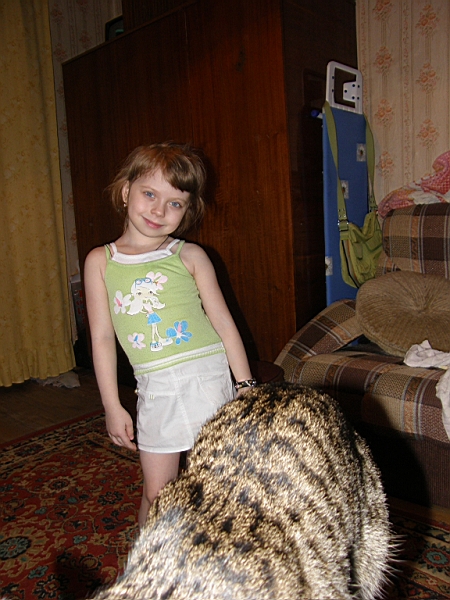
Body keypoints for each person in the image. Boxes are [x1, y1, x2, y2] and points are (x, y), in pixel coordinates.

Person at [84, 142, 255, 528]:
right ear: (126, 191)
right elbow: (102, 339)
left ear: (187, 210)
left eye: (175, 203)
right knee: (157, 493)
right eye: (149, 194)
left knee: (217, 487)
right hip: (156, 388)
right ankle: (149, 557)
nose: (159, 211)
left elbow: (224, 324)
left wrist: (245, 385)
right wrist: (112, 405)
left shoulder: (190, 256)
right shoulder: (101, 262)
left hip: (208, 381)